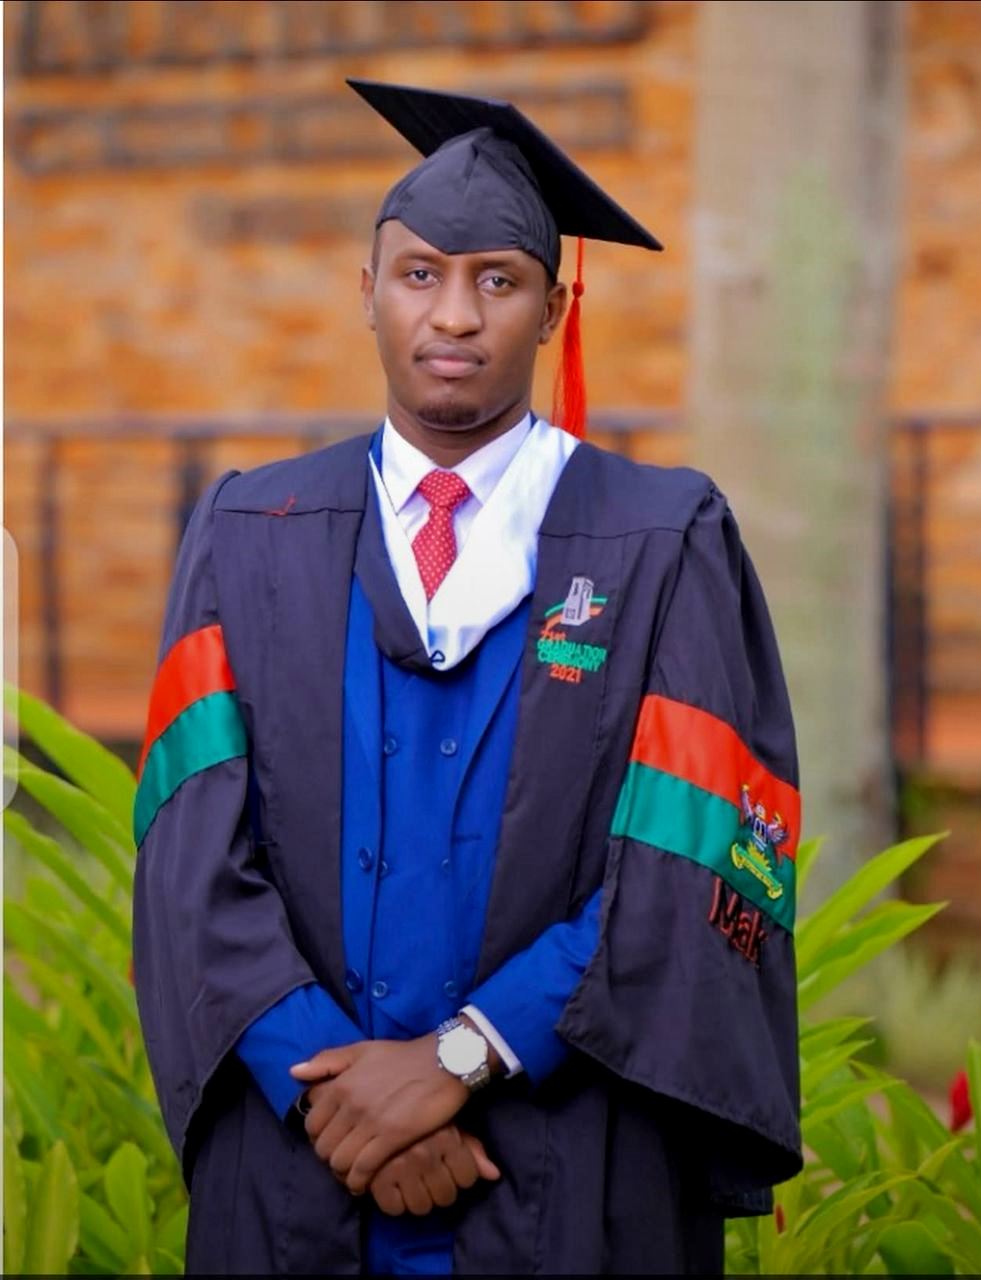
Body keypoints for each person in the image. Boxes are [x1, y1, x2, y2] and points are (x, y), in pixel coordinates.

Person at [132, 78, 803, 1276]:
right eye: (419, 273)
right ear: (366, 291)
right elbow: (192, 853)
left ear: (552, 308)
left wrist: (460, 1059)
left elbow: (691, 859)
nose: (454, 314)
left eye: (497, 279)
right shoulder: (250, 529)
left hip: (567, 1162)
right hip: (300, 1167)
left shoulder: (660, 537)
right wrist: (341, 1099)